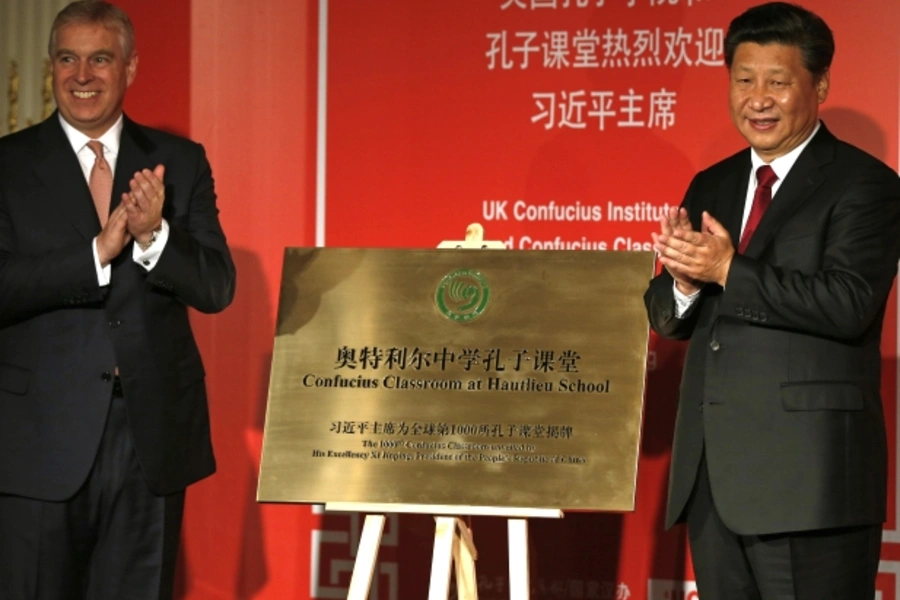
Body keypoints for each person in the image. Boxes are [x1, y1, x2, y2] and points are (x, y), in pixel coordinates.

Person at [644, 2, 900, 598]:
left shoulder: (865, 185)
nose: (757, 98)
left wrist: (729, 267)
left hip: (808, 484)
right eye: (743, 80)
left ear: (820, 86)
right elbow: (667, 316)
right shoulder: (714, 182)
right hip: (715, 480)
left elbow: (849, 303)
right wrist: (683, 282)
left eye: (778, 82)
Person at [0, 1, 235, 598]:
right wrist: (98, 252)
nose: (82, 75)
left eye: (99, 59)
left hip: (148, 442)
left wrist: (156, 236)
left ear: (130, 67)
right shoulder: (7, 165)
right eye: (67, 59)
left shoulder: (179, 162)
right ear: (51, 67)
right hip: (39, 443)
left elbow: (216, 287)